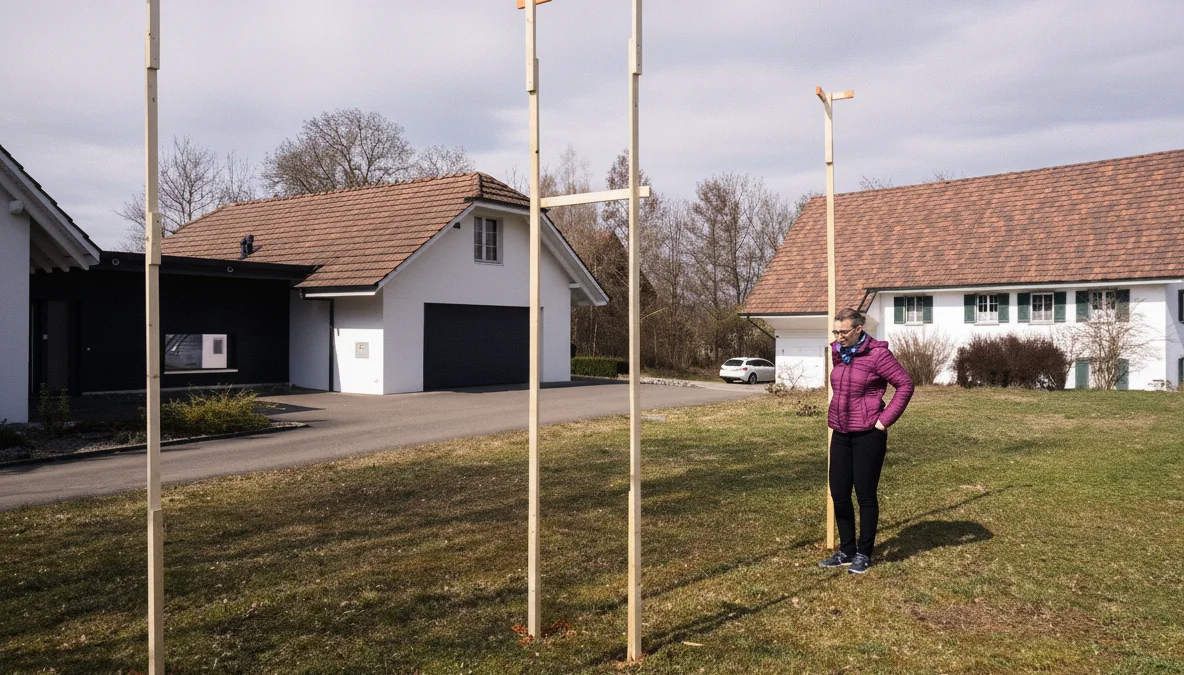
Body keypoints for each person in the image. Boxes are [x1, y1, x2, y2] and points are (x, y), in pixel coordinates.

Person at [818, 308, 914, 574]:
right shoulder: (839, 352)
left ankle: (864, 553)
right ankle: (846, 550)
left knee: (865, 495)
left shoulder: (878, 354)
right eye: (835, 332)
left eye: (843, 332)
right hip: (840, 431)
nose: (838, 337)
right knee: (838, 492)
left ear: (858, 329)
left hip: (868, 435)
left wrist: (884, 420)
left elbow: (905, 385)